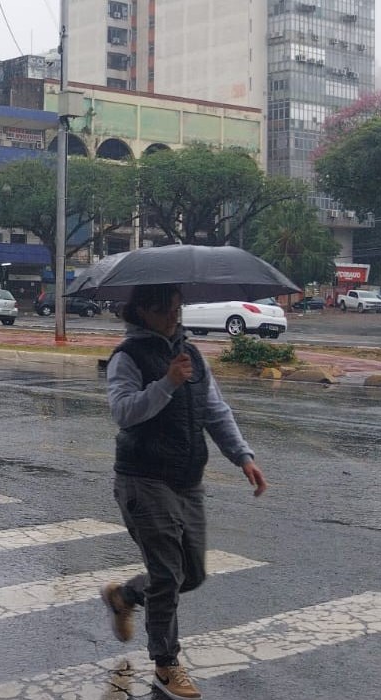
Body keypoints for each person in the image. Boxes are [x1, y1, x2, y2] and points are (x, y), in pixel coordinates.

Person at [100, 283, 267, 700]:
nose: (176, 317)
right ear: (143, 310)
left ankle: (125, 595)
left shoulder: (190, 355)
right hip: (143, 479)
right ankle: (166, 666)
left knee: (190, 574)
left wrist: (242, 456)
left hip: (187, 480)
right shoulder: (127, 356)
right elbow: (123, 412)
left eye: (179, 309)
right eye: (168, 310)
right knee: (167, 574)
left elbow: (214, 410)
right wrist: (167, 383)